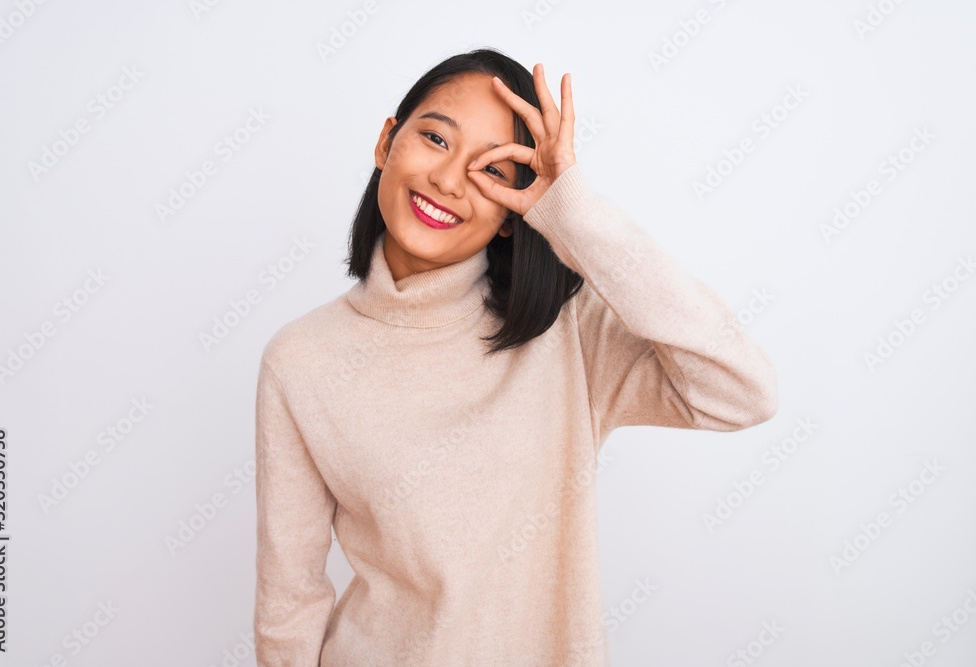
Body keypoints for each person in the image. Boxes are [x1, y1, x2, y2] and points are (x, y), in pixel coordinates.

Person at [253, 47, 778, 666]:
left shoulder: (568, 336)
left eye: (493, 172)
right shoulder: (301, 360)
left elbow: (741, 390)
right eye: (434, 139)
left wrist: (573, 213)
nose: (448, 181)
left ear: (512, 215)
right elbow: (289, 604)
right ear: (386, 142)